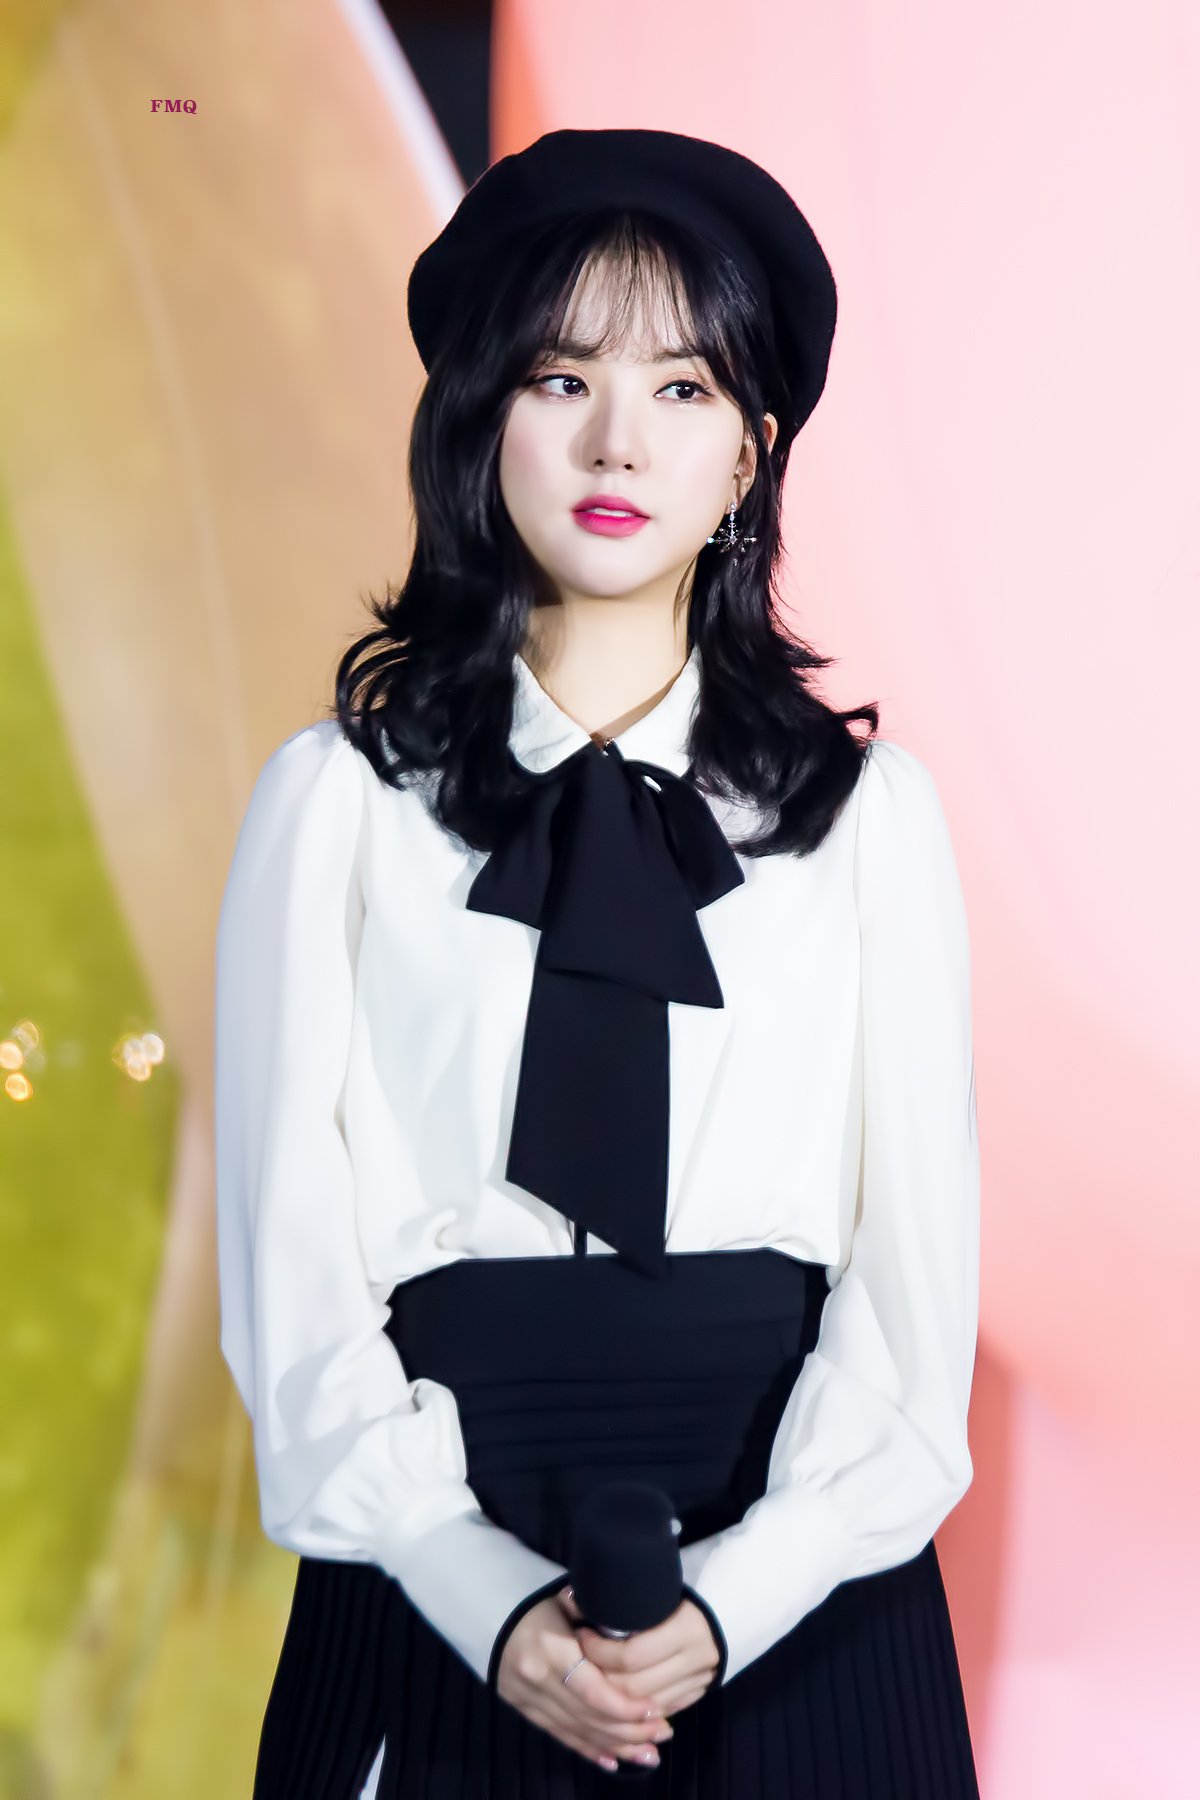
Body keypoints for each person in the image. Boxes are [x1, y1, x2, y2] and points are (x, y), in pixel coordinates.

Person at [214, 128, 982, 1798]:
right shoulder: (338, 806)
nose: (618, 440)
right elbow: (290, 1284)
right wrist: (482, 1600)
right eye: (561, 378)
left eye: (684, 388)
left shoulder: (869, 823)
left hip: (805, 1597)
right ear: (478, 417)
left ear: (750, 457)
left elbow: (915, 1300)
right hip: (432, 1578)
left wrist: (736, 1600)